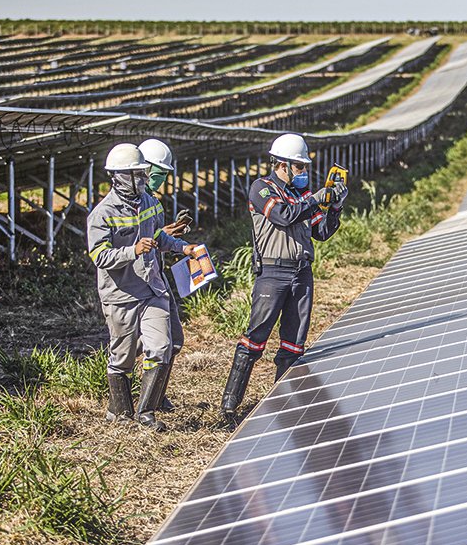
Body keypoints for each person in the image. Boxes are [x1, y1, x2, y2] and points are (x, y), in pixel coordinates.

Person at [220, 133, 347, 427]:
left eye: (304, 168)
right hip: (273, 274)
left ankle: (282, 404)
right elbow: (282, 216)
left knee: (293, 344)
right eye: (299, 168)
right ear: (283, 165)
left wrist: (335, 206)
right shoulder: (261, 189)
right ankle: (228, 407)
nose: (304, 173)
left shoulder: (302, 196)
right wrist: (316, 199)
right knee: (255, 340)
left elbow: (322, 232)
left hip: (302, 272)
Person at [87, 143, 199, 431]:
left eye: (142, 173)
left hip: (153, 288)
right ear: (117, 177)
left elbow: (159, 238)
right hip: (120, 295)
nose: (141, 179)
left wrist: (182, 248)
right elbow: (99, 256)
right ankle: (120, 410)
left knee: (162, 346)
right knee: (122, 357)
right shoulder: (102, 214)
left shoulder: (150, 204)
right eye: (134, 175)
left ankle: (147, 412)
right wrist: (132, 251)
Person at [138, 138, 189, 413]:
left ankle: (156, 393)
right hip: (139, 282)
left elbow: (156, 236)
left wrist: (173, 234)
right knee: (148, 344)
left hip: (157, 276)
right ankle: (141, 401)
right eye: (158, 176)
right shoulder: (130, 203)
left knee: (173, 340)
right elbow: (137, 240)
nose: (159, 182)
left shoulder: (152, 202)